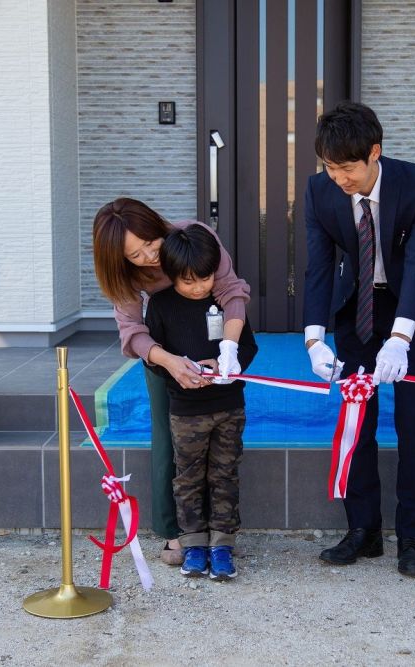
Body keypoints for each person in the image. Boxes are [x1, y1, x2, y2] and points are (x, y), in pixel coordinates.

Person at [302, 102, 415, 577]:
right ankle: (363, 532)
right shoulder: (318, 191)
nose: (339, 178)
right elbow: (319, 266)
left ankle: (412, 538)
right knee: (356, 419)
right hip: (357, 308)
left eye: (347, 168)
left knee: (412, 421)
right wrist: (313, 339)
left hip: (411, 308)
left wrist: (402, 337)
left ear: (374, 153)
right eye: (329, 167)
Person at [92, 198, 251, 566]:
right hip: (165, 356)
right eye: (136, 254)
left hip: (212, 346)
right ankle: (177, 533)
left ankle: (218, 534)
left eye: (151, 243)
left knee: (221, 454)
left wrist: (229, 347)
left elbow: (231, 290)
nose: (149, 256)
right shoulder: (125, 276)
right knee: (170, 442)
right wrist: (169, 361)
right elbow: (132, 332)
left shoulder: (193, 237)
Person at [144, 224, 258, 580]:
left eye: (205, 278)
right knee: (189, 477)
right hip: (186, 410)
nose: (198, 287)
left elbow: (248, 346)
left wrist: (230, 362)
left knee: (225, 474)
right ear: (171, 275)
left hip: (229, 405)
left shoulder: (225, 302)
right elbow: (153, 358)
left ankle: (223, 544)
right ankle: (193, 543)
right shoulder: (161, 306)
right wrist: (181, 371)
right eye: (188, 281)